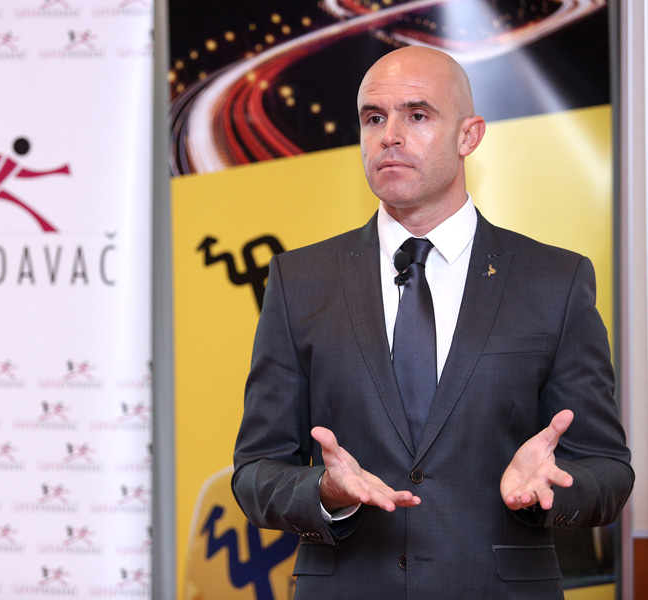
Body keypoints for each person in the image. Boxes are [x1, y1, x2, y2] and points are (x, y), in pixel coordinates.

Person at [231, 46, 634, 599]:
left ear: (469, 136)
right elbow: (256, 470)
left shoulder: (554, 280)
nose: (390, 136)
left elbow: (606, 469)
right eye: (374, 118)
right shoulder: (299, 280)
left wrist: (552, 489)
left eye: (417, 115)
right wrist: (324, 491)